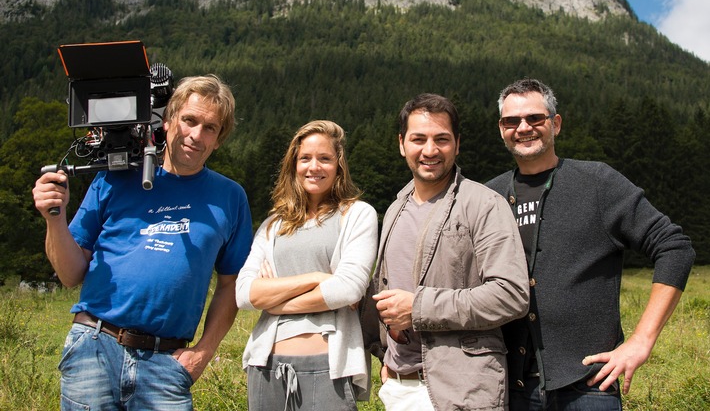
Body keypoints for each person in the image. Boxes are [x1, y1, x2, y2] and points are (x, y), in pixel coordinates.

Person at [32, 74, 253, 411]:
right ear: (167, 121)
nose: (196, 135)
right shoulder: (115, 176)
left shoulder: (229, 197)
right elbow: (69, 274)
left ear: (219, 139)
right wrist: (54, 218)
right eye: (189, 120)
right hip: (94, 346)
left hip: (167, 364)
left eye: (210, 128)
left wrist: (202, 354)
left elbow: (231, 284)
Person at [486, 78, 696, 410]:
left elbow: (674, 246)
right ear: (501, 129)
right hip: (509, 389)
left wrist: (642, 341)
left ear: (555, 123)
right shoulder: (489, 197)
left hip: (587, 388)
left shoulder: (597, 183)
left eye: (534, 118)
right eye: (511, 121)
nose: (522, 127)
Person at [365, 93, 530, 410]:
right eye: (418, 139)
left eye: (441, 139)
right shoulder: (396, 207)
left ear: (457, 143)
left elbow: (511, 295)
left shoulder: (484, 205)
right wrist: (385, 355)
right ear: (402, 144)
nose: (430, 150)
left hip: (461, 391)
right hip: (399, 388)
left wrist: (418, 307)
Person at [236, 120, 378, 411]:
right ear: (294, 165)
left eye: (325, 158)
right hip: (266, 366)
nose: (314, 167)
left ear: (339, 165)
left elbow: (348, 289)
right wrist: (317, 277)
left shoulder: (358, 215)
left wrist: (275, 302)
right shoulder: (273, 225)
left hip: (328, 365)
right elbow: (244, 293)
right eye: (305, 158)